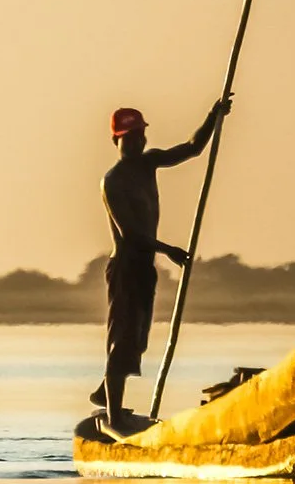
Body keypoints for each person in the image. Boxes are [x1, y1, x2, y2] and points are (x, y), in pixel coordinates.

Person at [96, 97, 231, 433]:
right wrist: (168, 249)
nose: (136, 142)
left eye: (140, 136)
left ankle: (104, 391)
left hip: (145, 268)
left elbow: (192, 149)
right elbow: (130, 234)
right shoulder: (113, 181)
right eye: (128, 138)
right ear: (116, 141)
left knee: (138, 340)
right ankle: (113, 417)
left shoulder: (149, 163)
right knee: (123, 339)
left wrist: (213, 116)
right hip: (126, 266)